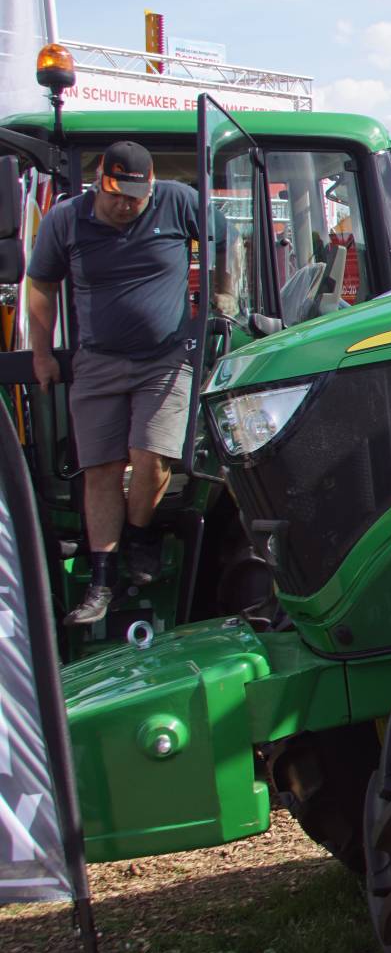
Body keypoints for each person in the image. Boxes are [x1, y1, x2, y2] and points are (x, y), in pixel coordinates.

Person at [25, 142, 200, 626]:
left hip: (164, 360)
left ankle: (140, 536)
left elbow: (227, 239)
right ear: (99, 180)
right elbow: (41, 284)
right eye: (117, 195)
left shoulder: (178, 201)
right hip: (98, 362)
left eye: (136, 197)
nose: (126, 205)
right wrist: (41, 353)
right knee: (100, 469)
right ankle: (102, 578)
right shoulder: (66, 219)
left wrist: (221, 296)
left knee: (152, 456)